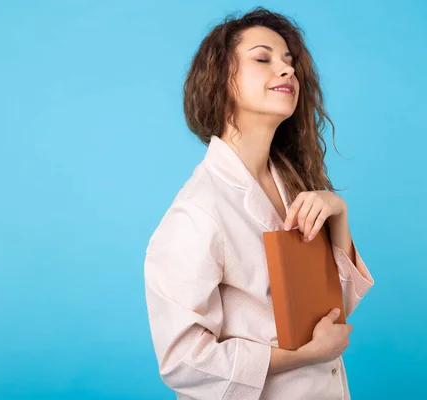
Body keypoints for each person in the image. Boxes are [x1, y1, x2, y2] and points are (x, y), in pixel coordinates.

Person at [144, 7, 374, 400]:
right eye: (263, 59)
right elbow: (182, 361)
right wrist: (297, 356)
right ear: (221, 81)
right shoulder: (198, 212)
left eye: (289, 62)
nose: (287, 71)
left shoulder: (293, 185)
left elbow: (331, 317)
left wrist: (338, 214)